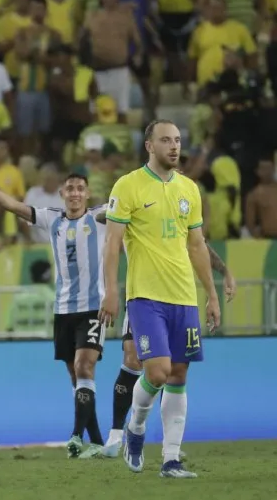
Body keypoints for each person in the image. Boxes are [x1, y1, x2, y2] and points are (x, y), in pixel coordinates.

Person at [0, 167, 108, 458]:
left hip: (93, 308)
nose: (75, 193)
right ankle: (98, 442)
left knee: (84, 367)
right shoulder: (52, 218)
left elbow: (135, 204)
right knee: (77, 378)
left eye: (80, 188)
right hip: (63, 309)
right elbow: (9, 204)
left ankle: (76, 436)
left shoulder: (101, 216)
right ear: (62, 194)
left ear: (88, 194)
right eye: (70, 188)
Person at [99, 119, 223, 478]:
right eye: (166, 140)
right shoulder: (128, 185)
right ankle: (135, 427)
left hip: (183, 296)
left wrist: (212, 294)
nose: (174, 146)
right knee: (157, 371)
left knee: (179, 374)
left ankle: (170, 460)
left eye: (178, 140)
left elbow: (196, 245)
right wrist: (111, 291)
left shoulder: (189, 189)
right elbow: (112, 242)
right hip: (145, 297)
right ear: (149, 146)